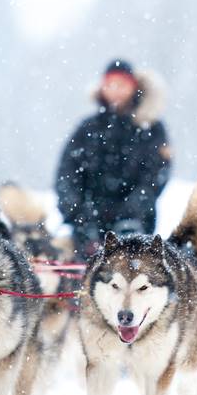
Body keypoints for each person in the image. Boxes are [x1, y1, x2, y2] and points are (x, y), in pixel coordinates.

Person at [55, 59, 172, 259]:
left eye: (122, 84)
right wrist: (79, 214)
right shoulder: (87, 128)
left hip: (136, 225)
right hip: (87, 226)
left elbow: (155, 176)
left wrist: (131, 212)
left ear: (134, 87)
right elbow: (67, 174)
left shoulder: (151, 127)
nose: (115, 90)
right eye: (110, 84)